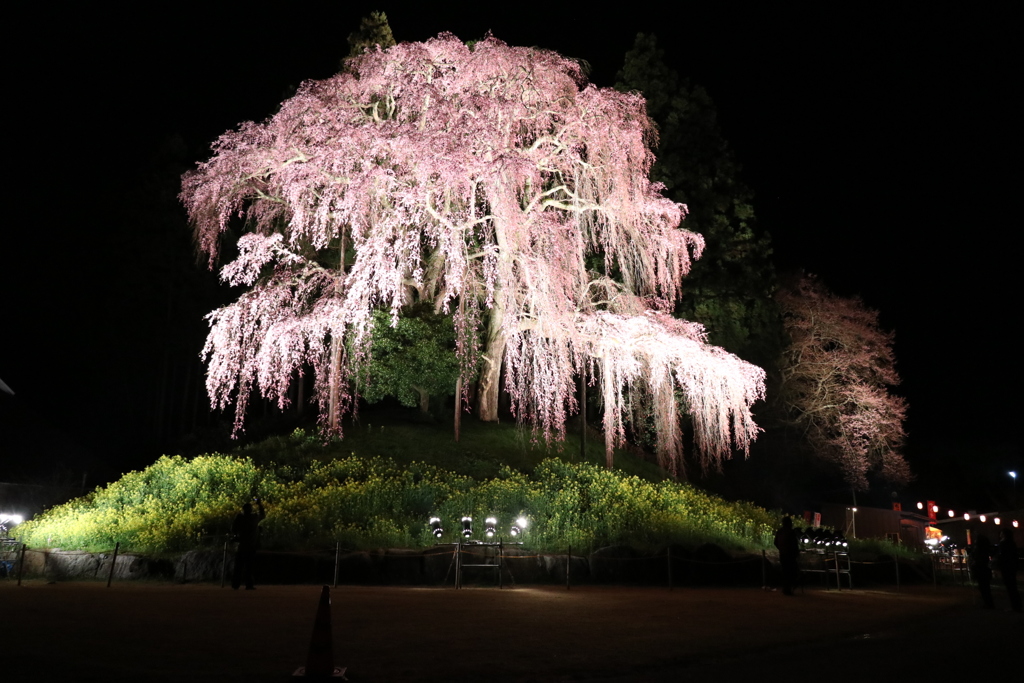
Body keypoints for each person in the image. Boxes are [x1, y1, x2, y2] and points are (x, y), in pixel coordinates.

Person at [231, 498, 266, 590]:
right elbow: (263, 514)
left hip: (241, 546)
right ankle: (249, 584)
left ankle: (235, 584)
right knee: (249, 567)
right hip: (251, 546)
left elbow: (233, 529)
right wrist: (259, 504)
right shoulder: (254, 517)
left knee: (238, 566)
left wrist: (236, 536)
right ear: (251, 510)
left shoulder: (240, 518)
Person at [996, 527, 1021, 613]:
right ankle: (1017, 605)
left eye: (1001, 533)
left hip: (1006, 567)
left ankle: (1015, 607)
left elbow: (1002, 556)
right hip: (1012, 567)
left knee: (1010, 587)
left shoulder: (1003, 544)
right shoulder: (1012, 543)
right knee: (1013, 587)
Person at [774, 516, 800, 595]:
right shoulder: (790, 532)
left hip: (783, 554)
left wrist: (781, 549)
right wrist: (796, 553)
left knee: (785, 571)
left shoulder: (780, 531)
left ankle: (786, 588)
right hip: (790, 555)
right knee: (791, 572)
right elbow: (794, 544)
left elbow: (775, 542)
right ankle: (788, 588)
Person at [969, 534, 994, 608]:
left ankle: (988, 603)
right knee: (986, 587)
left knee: (983, 587)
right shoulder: (986, 549)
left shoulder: (978, 549)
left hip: (980, 569)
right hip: (985, 569)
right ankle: (989, 602)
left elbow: (976, 559)